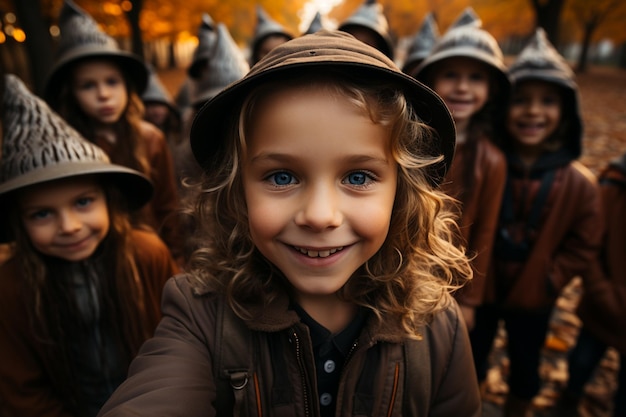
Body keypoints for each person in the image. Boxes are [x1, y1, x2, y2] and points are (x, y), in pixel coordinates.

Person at [97, 30, 481, 416]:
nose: (319, 215)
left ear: (401, 194)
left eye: (358, 177)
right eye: (282, 177)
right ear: (238, 192)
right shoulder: (201, 316)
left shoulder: (437, 327)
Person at [0, 74, 179, 417]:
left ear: (109, 201)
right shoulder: (10, 289)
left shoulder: (147, 254)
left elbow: (181, 342)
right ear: (19, 224)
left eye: (83, 202)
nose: (69, 226)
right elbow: (22, 393)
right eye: (41, 214)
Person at [470, 28, 603, 417]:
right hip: (484, 287)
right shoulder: (487, 164)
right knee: (470, 359)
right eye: (521, 101)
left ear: (565, 114)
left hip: (534, 295)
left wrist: (550, 277)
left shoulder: (579, 184)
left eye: (547, 102)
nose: (533, 111)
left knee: (526, 367)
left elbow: (586, 242)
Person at [44, 0, 183, 263]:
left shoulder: (150, 138)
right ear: (71, 94)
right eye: (88, 86)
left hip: (150, 258)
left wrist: (175, 260)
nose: (104, 95)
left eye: (112, 82)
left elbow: (168, 207)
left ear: (127, 86)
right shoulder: (67, 148)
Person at [411, 10, 510, 331]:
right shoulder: (410, 142)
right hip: (403, 271)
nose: (463, 87)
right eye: (451, 75)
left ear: (492, 89)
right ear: (431, 81)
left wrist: (469, 300)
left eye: (476, 78)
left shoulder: (492, 160)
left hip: (451, 281)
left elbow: (484, 232)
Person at [552, 153, 626, 417]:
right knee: (583, 360)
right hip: (603, 306)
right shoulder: (614, 186)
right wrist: (603, 291)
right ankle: (570, 397)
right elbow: (590, 244)